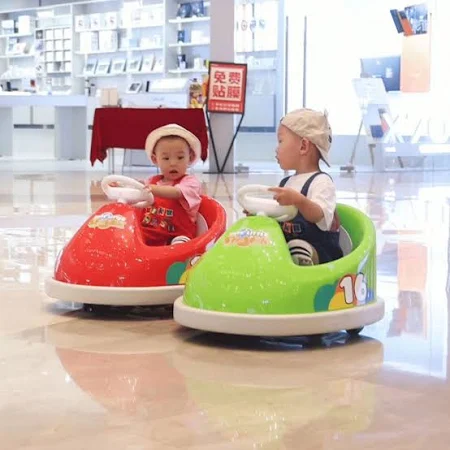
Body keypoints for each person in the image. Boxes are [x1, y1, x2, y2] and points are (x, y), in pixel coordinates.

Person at [268, 108, 343, 265]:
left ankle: (301, 258)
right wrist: (259, 213)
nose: (276, 148)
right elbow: (276, 214)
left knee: (299, 247)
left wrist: (299, 201)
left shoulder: (321, 182)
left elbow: (318, 215)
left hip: (321, 255)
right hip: (287, 250)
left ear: (303, 146)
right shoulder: (286, 183)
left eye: (281, 141)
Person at [139, 123, 202, 246]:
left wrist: (150, 189)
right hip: (148, 234)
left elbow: (176, 192)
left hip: (177, 235)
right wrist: (122, 187)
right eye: (166, 158)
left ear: (190, 158)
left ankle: (178, 252)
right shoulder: (151, 181)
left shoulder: (191, 183)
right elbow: (137, 192)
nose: (173, 163)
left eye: (180, 157)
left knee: (180, 243)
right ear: (155, 159)